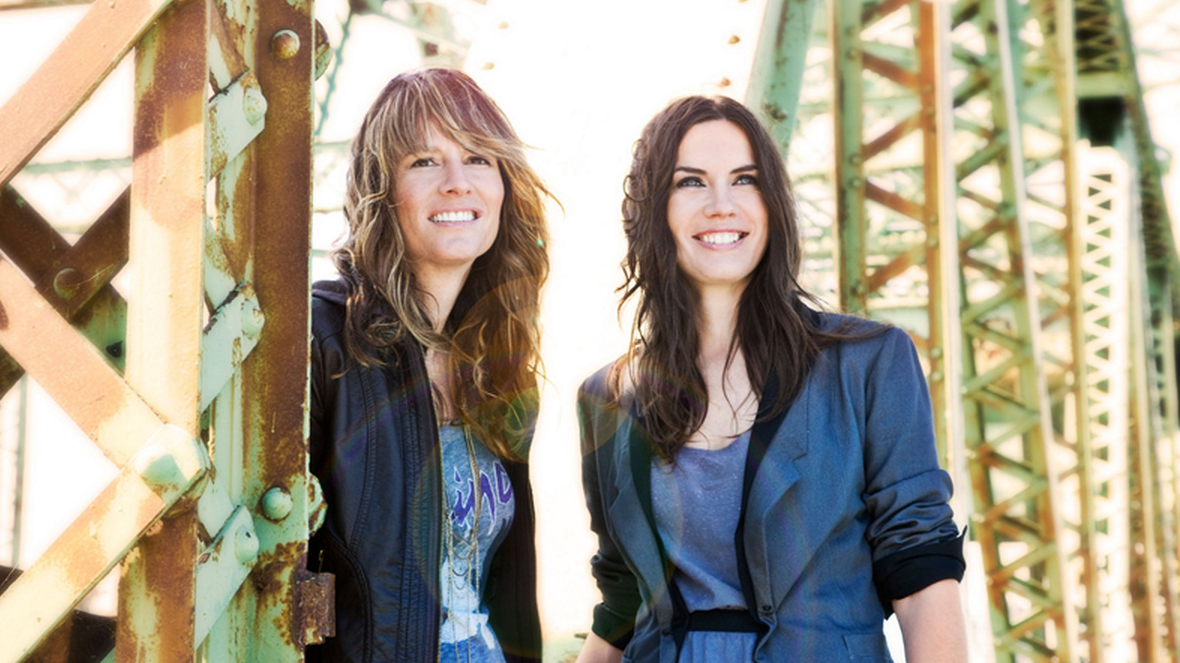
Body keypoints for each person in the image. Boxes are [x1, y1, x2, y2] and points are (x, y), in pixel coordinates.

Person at [575, 95, 967, 662]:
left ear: (772, 203)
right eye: (690, 182)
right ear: (653, 209)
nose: (721, 205)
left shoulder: (869, 364)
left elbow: (920, 562)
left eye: (745, 180)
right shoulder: (607, 398)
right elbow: (621, 598)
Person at [306, 68, 549, 663]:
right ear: (382, 190)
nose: (457, 183)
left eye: (478, 159)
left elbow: (507, 586)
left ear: (504, 185)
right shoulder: (321, 339)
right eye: (424, 162)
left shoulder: (495, 358)